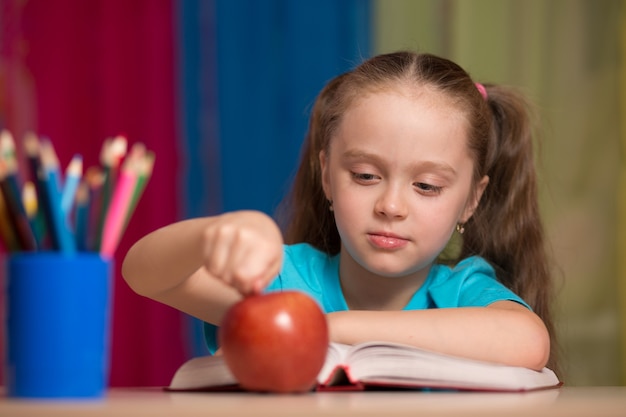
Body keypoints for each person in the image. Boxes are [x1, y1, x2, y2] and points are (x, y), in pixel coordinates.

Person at [122, 51, 558, 374]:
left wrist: (323, 327)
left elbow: (527, 341)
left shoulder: (463, 291)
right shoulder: (282, 281)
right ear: (327, 175)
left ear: (471, 200)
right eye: (366, 175)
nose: (390, 206)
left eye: (427, 186)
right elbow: (143, 273)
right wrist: (213, 234)